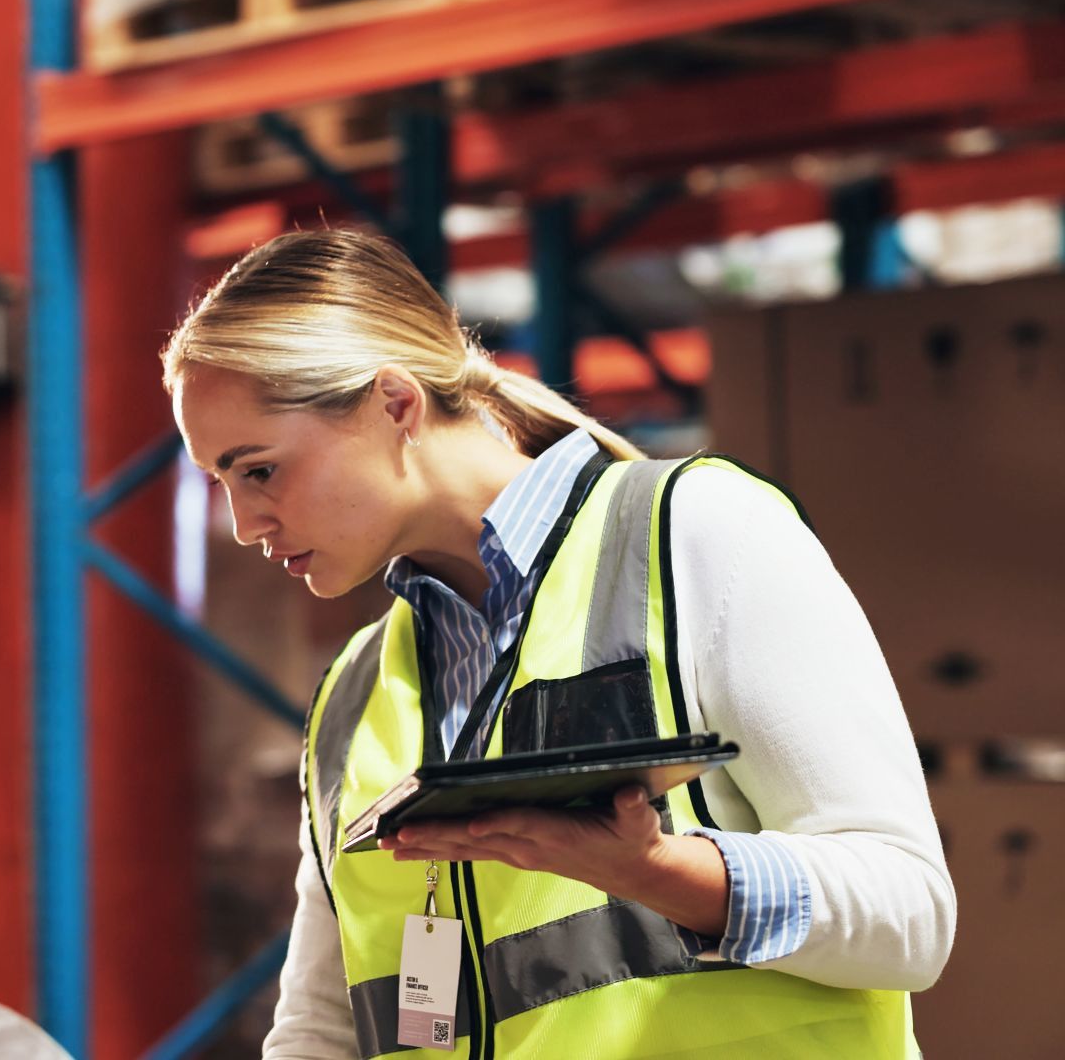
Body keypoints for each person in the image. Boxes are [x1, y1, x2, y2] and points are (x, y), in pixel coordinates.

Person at [162, 230, 954, 1058]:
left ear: (394, 404)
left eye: (257, 470)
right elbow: (323, 1027)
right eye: (220, 484)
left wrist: (658, 872)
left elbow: (911, 918)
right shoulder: (355, 695)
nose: (245, 524)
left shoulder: (696, 535)